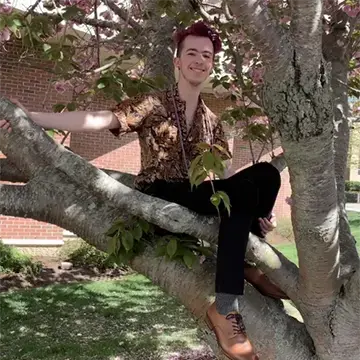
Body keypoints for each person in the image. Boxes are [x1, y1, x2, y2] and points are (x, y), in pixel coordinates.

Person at [0, 21, 288, 360]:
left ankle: (245, 262)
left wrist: (257, 213)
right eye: (191, 53)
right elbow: (99, 119)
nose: (199, 60)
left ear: (212, 64)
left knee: (267, 173)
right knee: (242, 194)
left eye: (206, 55)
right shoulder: (154, 103)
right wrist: (31, 117)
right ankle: (224, 308)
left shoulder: (213, 120)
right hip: (160, 192)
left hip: (196, 191)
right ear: (178, 61)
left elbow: (224, 174)